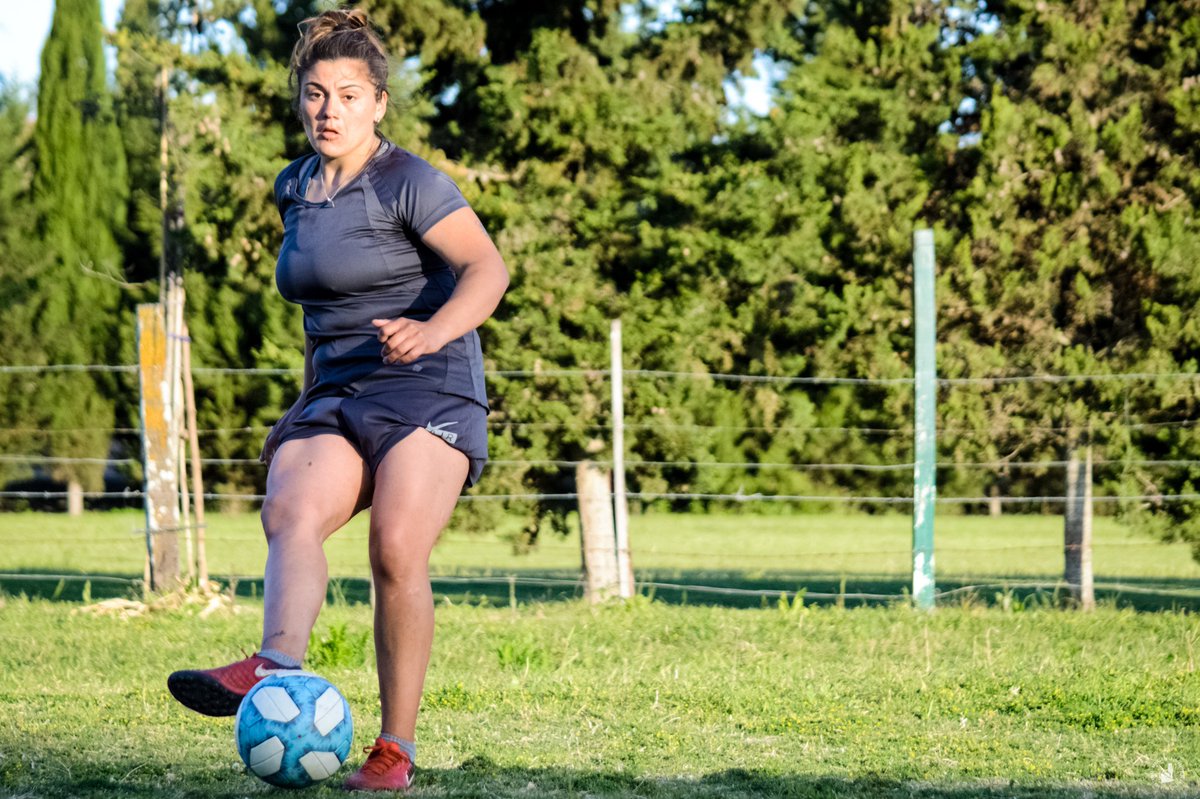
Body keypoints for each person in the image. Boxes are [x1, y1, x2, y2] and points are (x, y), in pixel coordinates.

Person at [166, 8, 509, 792]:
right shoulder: (294, 186)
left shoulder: (410, 181)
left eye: (349, 96)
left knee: (395, 548)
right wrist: (306, 397)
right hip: (339, 385)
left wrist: (430, 332)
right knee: (291, 506)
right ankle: (274, 665)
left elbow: (488, 271)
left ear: (379, 103)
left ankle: (394, 751)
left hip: (430, 378)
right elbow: (319, 307)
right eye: (317, 95)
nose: (330, 111)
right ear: (301, 100)